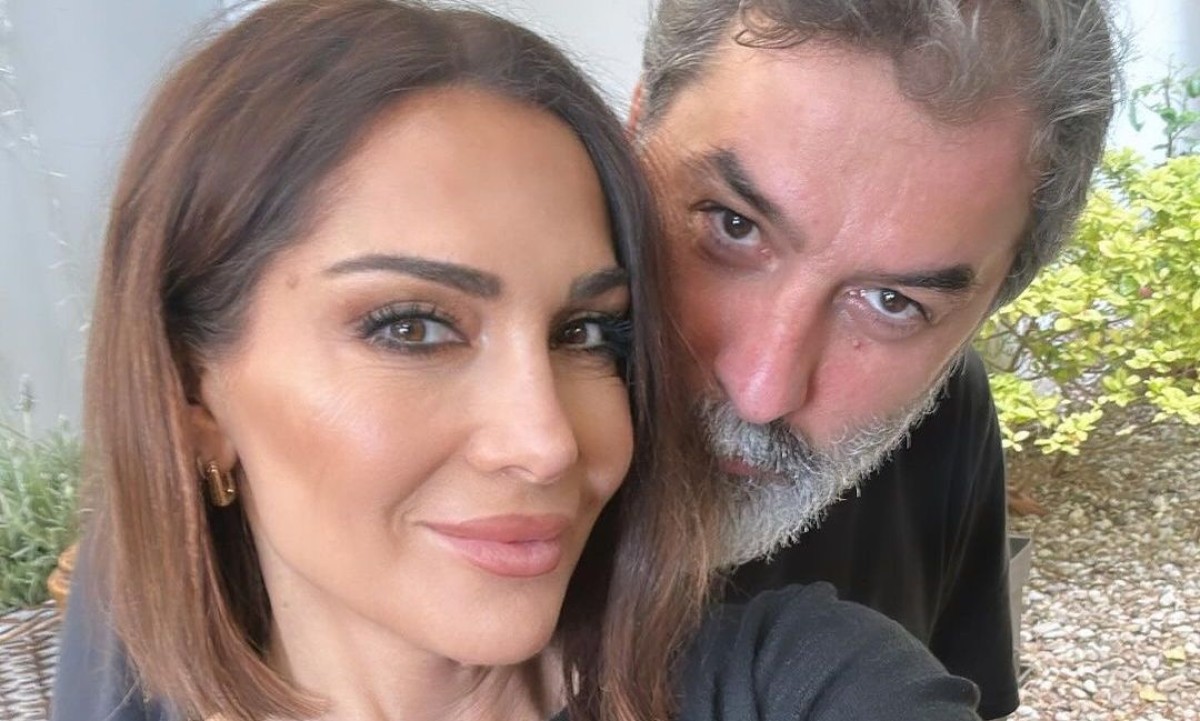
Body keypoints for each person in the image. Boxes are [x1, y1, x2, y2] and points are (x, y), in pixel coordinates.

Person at [52, 2, 983, 721]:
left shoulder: (801, 681)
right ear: (191, 394)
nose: (547, 443)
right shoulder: (128, 657)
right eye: (412, 328)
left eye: (588, 334)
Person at [632, 1, 1117, 718]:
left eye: (893, 302)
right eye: (732, 225)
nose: (761, 391)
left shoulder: (947, 417)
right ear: (632, 130)